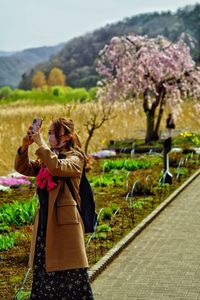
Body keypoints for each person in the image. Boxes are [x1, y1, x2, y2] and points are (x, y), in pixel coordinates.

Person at [14, 118, 94, 300]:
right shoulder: (49, 157)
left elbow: (57, 167)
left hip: (66, 228)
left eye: (51, 133)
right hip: (46, 225)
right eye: (47, 132)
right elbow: (23, 167)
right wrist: (25, 146)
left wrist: (41, 143)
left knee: (71, 278)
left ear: (65, 137)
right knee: (45, 279)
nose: (47, 135)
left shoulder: (75, 158)